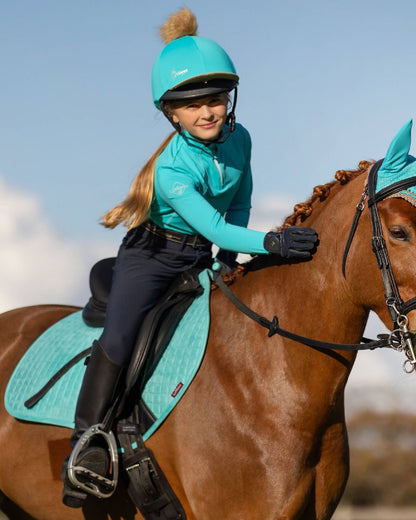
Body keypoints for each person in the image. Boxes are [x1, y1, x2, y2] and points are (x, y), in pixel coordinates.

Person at [62, 8, 319, 507]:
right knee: (121, 334)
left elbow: (238, 201)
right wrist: (270, 243)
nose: (208, 112)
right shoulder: (171, 168)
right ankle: (86, 443)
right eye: (193, 105)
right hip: (152, 256)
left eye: (216, 101)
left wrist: (232, 254)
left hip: (200, 254)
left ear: (230, 101)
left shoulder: (241, 139)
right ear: (171, 114)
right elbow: (215, 223)